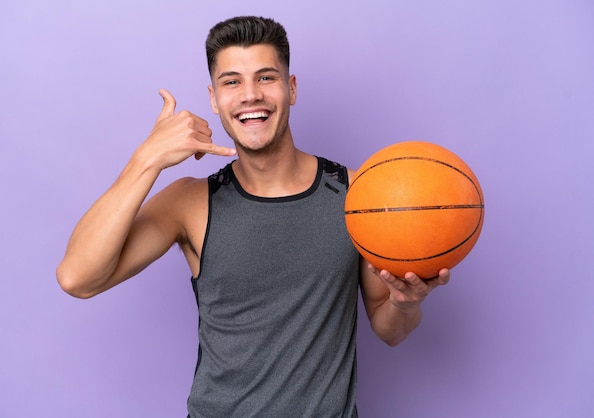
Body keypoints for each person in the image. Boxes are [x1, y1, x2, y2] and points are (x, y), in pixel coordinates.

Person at [56, 16, 450, 417]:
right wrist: (147, 159)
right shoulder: (190, 203)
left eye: (265, 78)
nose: (250, 95)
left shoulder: (357, 195)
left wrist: (404, 304)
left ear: (291, 88)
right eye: (232, 82)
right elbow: (78, 278)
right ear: (214, 98)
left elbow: (390, 331)